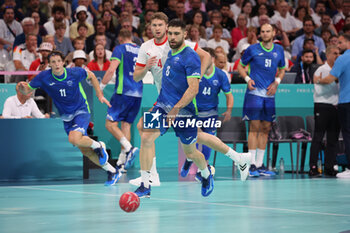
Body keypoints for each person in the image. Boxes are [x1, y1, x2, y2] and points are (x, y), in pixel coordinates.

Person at [133, 19, 250, 198]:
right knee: (146, 134)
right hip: (163, 104)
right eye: (170, 33)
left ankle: (207, 172)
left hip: (184, 110)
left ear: (184, 35)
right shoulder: (168, 52)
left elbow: (194, 88)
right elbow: (138, 75)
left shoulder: (190, 56)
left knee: (191, 150)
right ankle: (145, 183)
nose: (172, 37)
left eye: (176, 34)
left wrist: (176, 109)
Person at [130, 12, 212, 187]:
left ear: (167, 27)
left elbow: (206, 56)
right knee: (144, 131)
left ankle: (212, 168)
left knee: (193, 145)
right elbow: (137, 77)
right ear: (149, 27)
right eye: (154, 25)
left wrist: (198, 77)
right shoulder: (146, 47)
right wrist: (147, 68)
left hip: (183, 100)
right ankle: (151, 176)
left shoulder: (176, 41)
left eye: (160, 25)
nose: (157, 28)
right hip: (163, 100)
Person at [17, 50, 121, 185]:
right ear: (50, 64)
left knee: (73, 138)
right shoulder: (44, 77)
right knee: (84, 149)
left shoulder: (74, 72)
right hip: (66, 117)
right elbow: (27, 90)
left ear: (63, 62)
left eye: (59, 61)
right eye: (53, 62)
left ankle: (99, 146)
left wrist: (99, 94)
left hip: (81, 110)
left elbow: (92, 76)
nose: (57, 64)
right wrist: (21, 88)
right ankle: (112, 171)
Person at [237, 23, 286, 177]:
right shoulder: (252, 49)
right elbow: (240, 65)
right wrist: (247, 79)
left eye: (268, 31)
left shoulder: (279, 50)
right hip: (254, 95)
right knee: (254, 128)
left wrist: (277, 83)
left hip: (270, 97)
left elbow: (283, 68)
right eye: (262, 32)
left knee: (265, 128)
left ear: (274, 33)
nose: (265, 34)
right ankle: (251, 165)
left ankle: (260, 165)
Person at [180, 47, 234, 180]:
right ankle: (189, 159)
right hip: (194, 113)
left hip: (211, 114)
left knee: (209, 139)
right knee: (194, 139)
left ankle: (201, 169)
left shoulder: (221, 75)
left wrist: (229, 110)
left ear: (212, 59)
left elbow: (229, 95)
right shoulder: (194, 74)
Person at [100, 29, 141, 173]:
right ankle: (121, 163)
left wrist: (101, 86)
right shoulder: (140, 50)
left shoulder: (120, 48)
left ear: (120, 38)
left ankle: (129, 149)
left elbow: (111, 70)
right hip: (138, 93)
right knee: (126, 126)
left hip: (123, 92)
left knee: (109, 124)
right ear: (131, 37)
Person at [314, 34, 350, 178]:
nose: (338, 45)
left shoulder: (342, 58)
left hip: (346, 103)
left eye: (340, 42)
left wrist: (318, 80)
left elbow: (330, 78)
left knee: (348, 135)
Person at [309, 45, 340, 177]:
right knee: (318, 137)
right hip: (322, 106)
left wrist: (327, 82)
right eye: (334, 53)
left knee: (333, 139)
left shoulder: (340, 70)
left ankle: (329, 167)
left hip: (336, 107)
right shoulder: (321, 70)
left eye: (339, 54)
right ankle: (313, 167)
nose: (337, 56)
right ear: (327, 55)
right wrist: (329, 82)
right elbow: (319, 90)